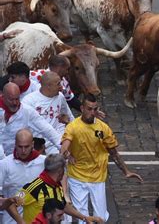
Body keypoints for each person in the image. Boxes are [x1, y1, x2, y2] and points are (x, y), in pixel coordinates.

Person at [60, 93, 143, 223]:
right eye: (89, 109)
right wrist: (68, 155)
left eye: (95, 109)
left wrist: (126, 171)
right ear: (82, 108)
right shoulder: (73, 127)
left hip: (98, 177)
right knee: (82, 216)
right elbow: (64, 147)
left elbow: (114, 153)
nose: (92, 112)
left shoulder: (103, 129)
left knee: (101, 217)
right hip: (77, 177)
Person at [6, 154, 102, 223]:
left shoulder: (56, 186)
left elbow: (63, 205)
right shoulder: (35, 187)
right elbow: (10, 204)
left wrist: (84, 217)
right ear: (60, 171)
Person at [0, 83, 61, 159]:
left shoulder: (27, 111)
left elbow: (47, 129)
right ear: (2, 95)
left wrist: (62, 146)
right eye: (11, 99)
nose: (15, 103)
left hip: (18, 159)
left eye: (17, 99)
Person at [0, 129, 46, 224]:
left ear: (32, 144)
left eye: (26, 146)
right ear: (15, 144)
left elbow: (59, 178)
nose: (23, 151)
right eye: (20, 147)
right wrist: (7, 201)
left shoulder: (44, 162)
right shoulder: (4, 164)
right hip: (11, 220)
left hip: (37, 219)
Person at [23, 71, 74, 154]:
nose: (61, 87)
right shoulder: (29, 101)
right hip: (38, 145)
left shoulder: (60, 97)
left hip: (59, 141)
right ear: (48, 86)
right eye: (58, 84)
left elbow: (70, 117)